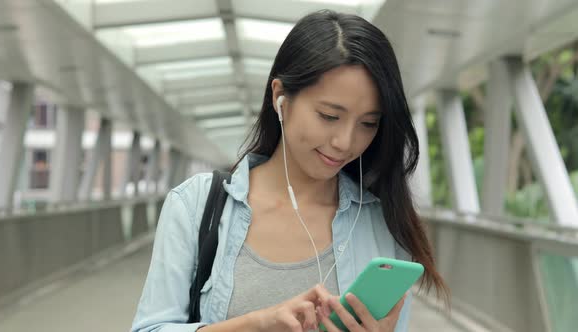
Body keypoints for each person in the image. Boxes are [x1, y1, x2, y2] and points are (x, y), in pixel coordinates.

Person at [131, 9, 448, 332]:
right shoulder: (194, 204)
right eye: (329, 116)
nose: (345, 142)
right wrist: (258, 324)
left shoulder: (381, 224)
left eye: (368, 123)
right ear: (280, 98)